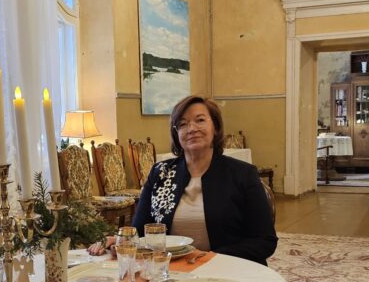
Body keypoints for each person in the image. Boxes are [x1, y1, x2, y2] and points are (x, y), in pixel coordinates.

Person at [91, 95, 276, 265]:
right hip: (172, 269)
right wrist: (119, 240)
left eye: (200, 120)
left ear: (215, 127)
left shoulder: (242, 174)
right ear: (176, 133)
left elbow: (264, 241)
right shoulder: (160, 173)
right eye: (182, 124)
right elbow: (139, 231)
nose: (192, 129)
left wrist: (210, 257)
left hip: (228, 268)